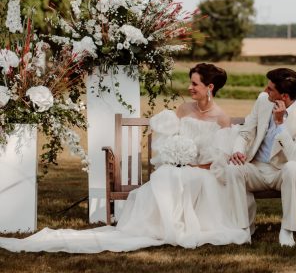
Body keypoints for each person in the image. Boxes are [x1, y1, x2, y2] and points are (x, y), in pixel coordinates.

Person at [0, 63, 250, 253]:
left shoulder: (222, 119)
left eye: (194, 84)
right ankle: (160, 227)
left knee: (177, 176)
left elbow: (219, 159)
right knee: (166, 174)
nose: (189, 88)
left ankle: (173, 227)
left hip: (204, 172)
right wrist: (174, 157)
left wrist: (192, 165)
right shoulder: (183, 109)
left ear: (210, 87)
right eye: (190, 82)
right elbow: (167, 142)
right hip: (178, 166)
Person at [226, 67, 296, 247]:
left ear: (283, 96)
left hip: (282, 172)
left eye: (270, 89)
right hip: (256, 168)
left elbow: (294, 155)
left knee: (293, 168)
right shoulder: (262, 101)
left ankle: (287, 230)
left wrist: (280, 124)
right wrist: (238, 150)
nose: (265, 91)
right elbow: (246, 132)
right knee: (232, 168)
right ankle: (243, 228)